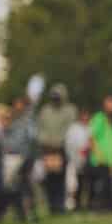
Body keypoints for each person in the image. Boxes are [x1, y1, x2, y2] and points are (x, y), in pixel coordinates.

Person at [35, 84, 76, 214]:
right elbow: (40, 128)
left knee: (61, 178)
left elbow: (69, 129)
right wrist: (45, 141)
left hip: (62, 149)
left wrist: (59, 142)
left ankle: (60, 205)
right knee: (49, 178)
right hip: (47, 149)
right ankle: (51, 205)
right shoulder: (45, 111)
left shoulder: (69, 110)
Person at [88, 95, 112, 214]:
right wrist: (98, 155)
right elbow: (92, 137)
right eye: (109, 103)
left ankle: (111, 208)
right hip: (101, 159)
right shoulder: (99, 118)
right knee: (102, 185)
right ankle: (98, 208)